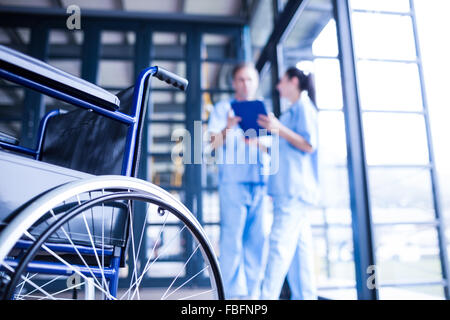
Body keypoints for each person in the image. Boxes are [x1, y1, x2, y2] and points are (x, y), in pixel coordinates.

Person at [207, 62, 268, 299]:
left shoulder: (264, 110)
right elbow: (212, 144)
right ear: (234, 83)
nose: (245, 84)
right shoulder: (223, 109)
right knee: (231, 243)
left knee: (256, 244)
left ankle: (252, 297)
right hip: (233, 183)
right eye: (241, 79)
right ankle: (230, 298)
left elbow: (274, 148)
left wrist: (258, 143)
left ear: (256, 82)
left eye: (250, 79)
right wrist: (228, 127)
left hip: (260, 183)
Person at [257, 67, 319, 300]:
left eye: (281, 81)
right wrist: (261, 144)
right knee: (299, 259)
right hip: (291, 192)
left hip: (294, 192)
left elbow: (309, 144)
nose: (277, 86)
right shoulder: (291, 112)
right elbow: (285, 149)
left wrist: (278, 129)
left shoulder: (303, 107)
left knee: (278, 249)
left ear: (294, 81)